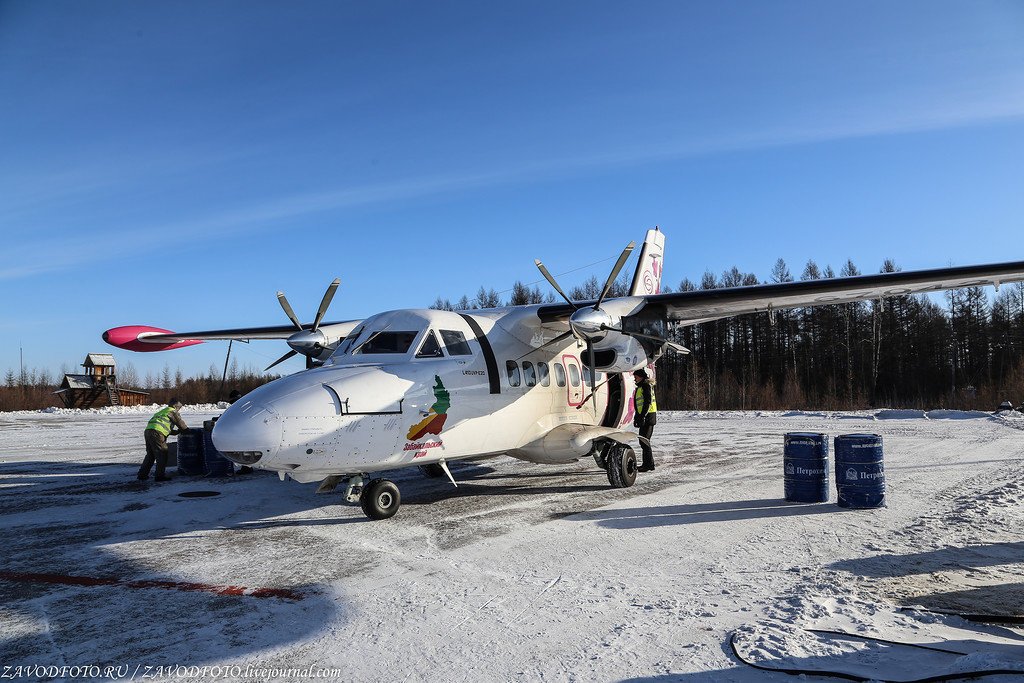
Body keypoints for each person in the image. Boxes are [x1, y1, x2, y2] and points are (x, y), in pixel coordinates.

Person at [137, 398, 188, 482]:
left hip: (148, 431)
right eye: (179, 408)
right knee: (162, 453)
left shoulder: (163, 411)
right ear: (175, 406)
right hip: (157, 433)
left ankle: (142, 475)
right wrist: (186, 430)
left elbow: (163, 426)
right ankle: (159, 476)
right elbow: (180, 423)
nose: (179, 410)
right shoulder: (173, 411)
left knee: (150, 455)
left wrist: (176, 432)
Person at [633, 369, 657, 472]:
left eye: (636, 376)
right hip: (644, 417)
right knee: (643, 442)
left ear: (641, 376)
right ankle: (648, 464)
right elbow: (639, 404)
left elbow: (647, 402)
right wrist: (637, 416)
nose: (634, 378)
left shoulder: (645, 386)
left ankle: (648, 465)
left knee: (644, 442)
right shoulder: (640, 387)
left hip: (648, 418)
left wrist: (642, 416)